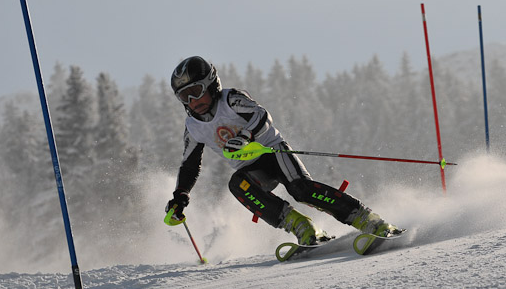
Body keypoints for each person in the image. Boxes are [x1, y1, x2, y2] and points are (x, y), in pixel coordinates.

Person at [165, 56, 400, 246]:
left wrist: (246, 136)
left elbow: (261, 115)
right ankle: (303, 227)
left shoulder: (231, 99)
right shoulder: (193, 127)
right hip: (251, 168)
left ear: (211, 83)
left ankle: (366, 219)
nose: (193, 100)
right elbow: (189, 165)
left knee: (301, 189)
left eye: (196, 90)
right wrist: (180, 196)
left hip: (273, 152)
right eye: (185, 96)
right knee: (238, 184)